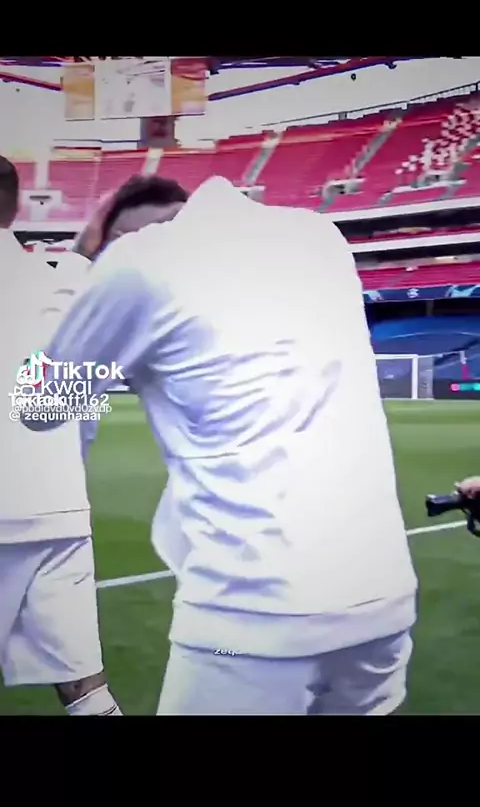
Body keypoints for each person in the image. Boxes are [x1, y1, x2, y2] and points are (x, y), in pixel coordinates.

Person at [24, 173, 418, 715]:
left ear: (120, 236)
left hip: (251, 617)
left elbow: (39, 405)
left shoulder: (136, 260)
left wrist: (78, 264)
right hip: (383, 606)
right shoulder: (319, 237)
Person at [0, 155, 122, 715]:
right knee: (83, 687)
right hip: (59, 513)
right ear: (15, 208)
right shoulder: (63, 285)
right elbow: (81, 406)